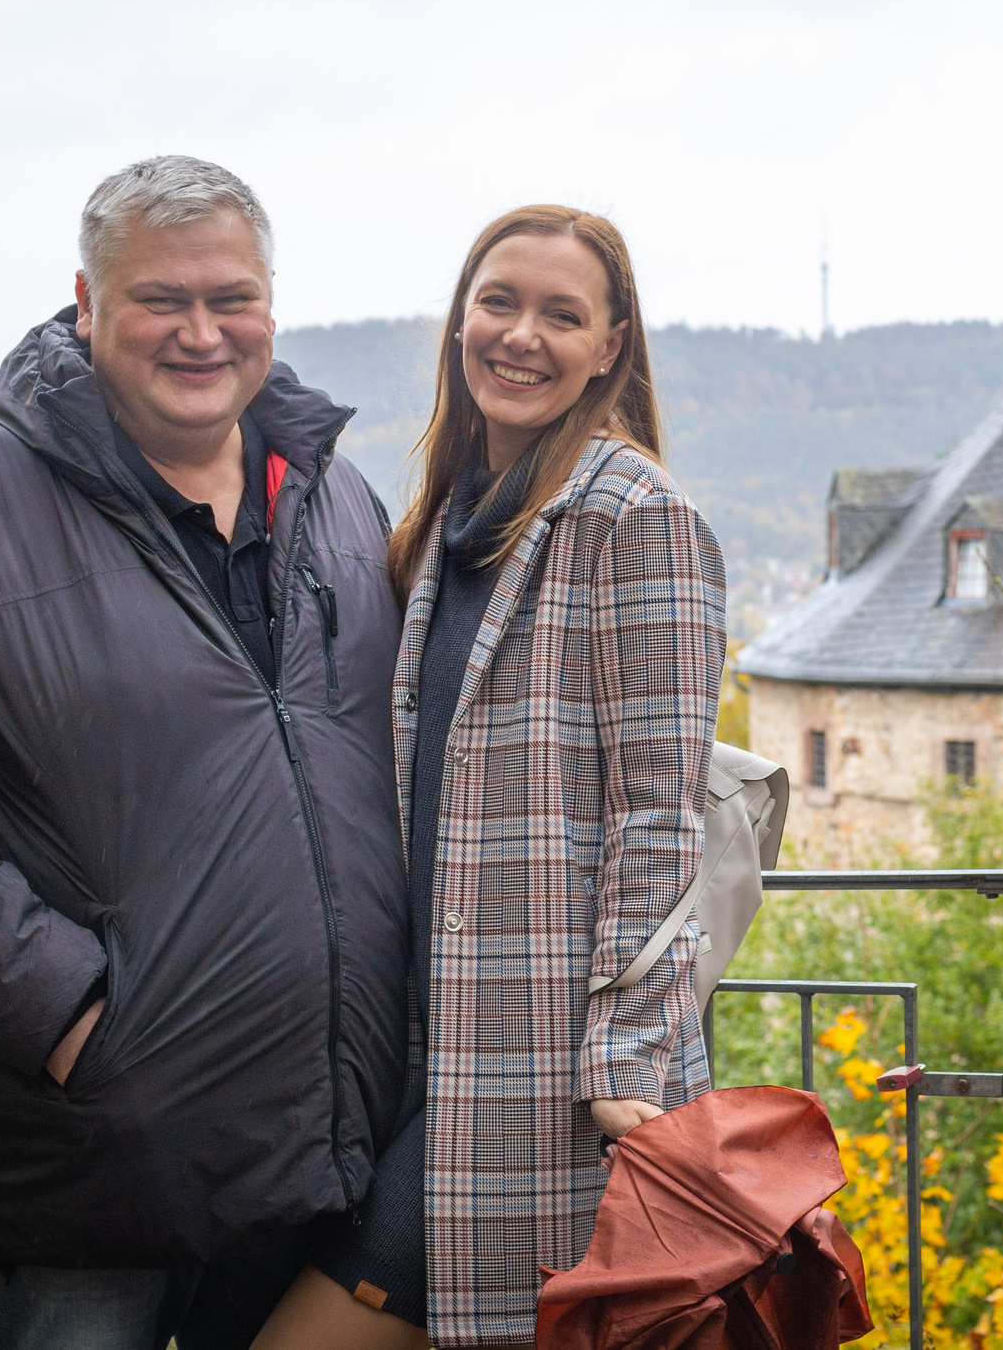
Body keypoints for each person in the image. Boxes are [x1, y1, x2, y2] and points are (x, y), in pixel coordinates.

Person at [0, 156, 411, 1350]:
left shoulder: (336, 502)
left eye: (230, 299)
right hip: (89, 1166)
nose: (199, 332)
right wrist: (76, 1017)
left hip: (313, 1150)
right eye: (158, 300)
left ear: (270, 307)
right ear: (86, 304)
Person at [252, 206, 727, 1350]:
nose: (521, 336)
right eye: (498, 303)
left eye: (563, 315)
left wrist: (624, 1059)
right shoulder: (448, 521)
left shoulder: (634, 516)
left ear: (610, 345)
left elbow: (662, 820)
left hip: (543, 1082)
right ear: (459, 320)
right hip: (414, 1063)